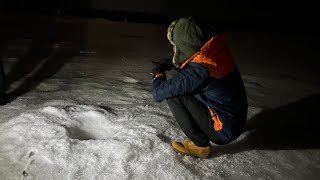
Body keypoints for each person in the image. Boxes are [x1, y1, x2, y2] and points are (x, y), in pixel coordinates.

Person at [151, 17, 248, 158]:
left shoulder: (199, 72)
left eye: (176, 45)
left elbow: (158, 93)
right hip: (235, 118)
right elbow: (196, 75)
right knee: (184, 88)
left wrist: (157, 74)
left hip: (223, 130)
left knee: (173, 95)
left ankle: (200, 146)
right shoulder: (214, 52)